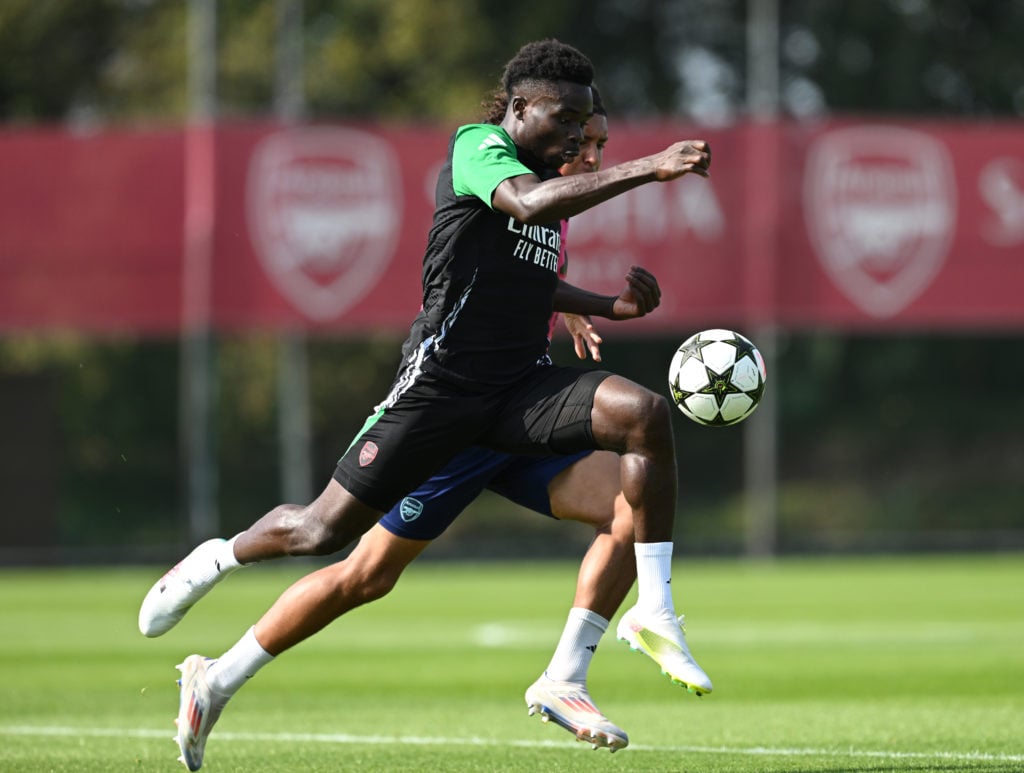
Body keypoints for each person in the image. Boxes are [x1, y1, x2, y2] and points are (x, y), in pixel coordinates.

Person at [144, 39, 712, 770]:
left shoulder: (554, 191)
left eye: (594, 135)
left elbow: (526, 277)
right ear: (520, 109)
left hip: (518, 400)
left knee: (637, 461)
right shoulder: (480, 150)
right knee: (338, 551)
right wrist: (653, 166)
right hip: (444, 401)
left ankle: (569, 673)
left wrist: (602, 306)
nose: (585, 145)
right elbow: (526, 207)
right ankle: (215, 586)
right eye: (574, 127)